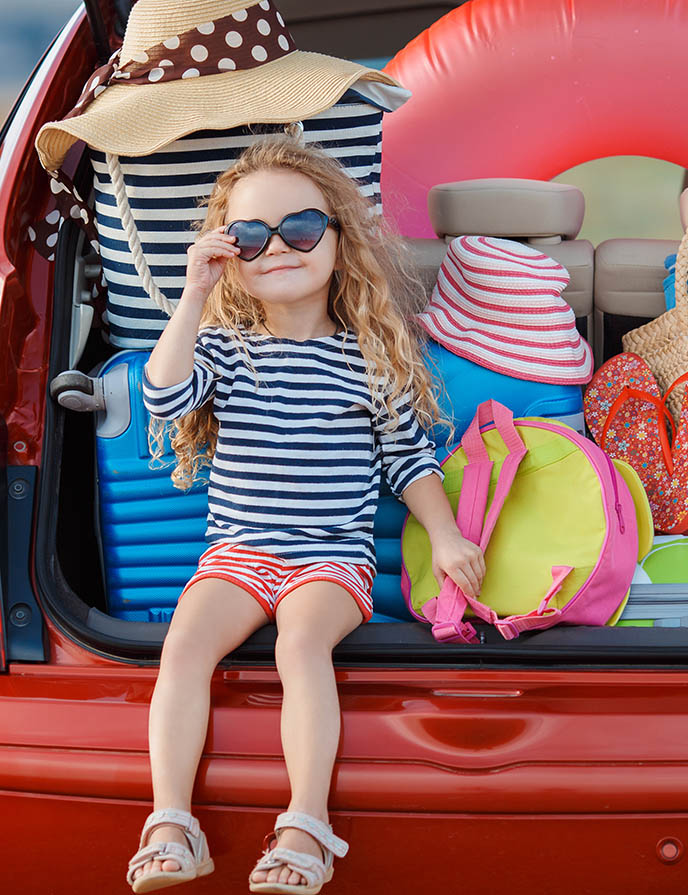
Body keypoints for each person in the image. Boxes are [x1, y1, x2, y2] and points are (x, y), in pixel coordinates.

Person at [126, 136, 485, 895]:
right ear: (230, 255)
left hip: (330, 559)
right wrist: (192, 293)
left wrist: (446, 533)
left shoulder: (369, 358)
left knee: (300, 645)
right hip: (237, 553)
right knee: (184, 644)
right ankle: (170, 822)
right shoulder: (224, 351)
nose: (278, 247)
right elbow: (159, 395)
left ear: (337, 236)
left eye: (300, 228)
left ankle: (307, 828)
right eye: (251, 236)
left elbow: (408, 460)